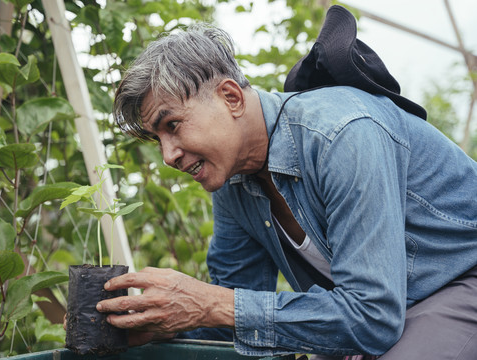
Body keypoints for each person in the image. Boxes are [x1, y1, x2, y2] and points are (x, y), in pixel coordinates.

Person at [97, 18, 477, 359]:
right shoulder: (233, 184)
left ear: (230, 97)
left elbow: (371, 318)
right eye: (157, 139)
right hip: (394, 314)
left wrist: (210, 303)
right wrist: (148, 323)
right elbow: (225, 310)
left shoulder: (340, 134)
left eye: (173, 126)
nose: (168, 155)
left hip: (460, 282)